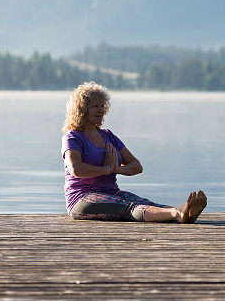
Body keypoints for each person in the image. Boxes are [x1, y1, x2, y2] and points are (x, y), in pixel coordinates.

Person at [61, 81, 207, 223]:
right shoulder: (73, 137)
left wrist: (118, 169)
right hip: (82, 199)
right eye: (94, 106)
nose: (100, 110)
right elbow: (76, 169)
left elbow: (136, 165)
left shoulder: (108, 135)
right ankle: (177, 213)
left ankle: (184, 212)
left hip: (112, 193)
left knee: (145, 203)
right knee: (129, 207)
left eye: (102, 105)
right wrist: (106, 170)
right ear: (81, 109)